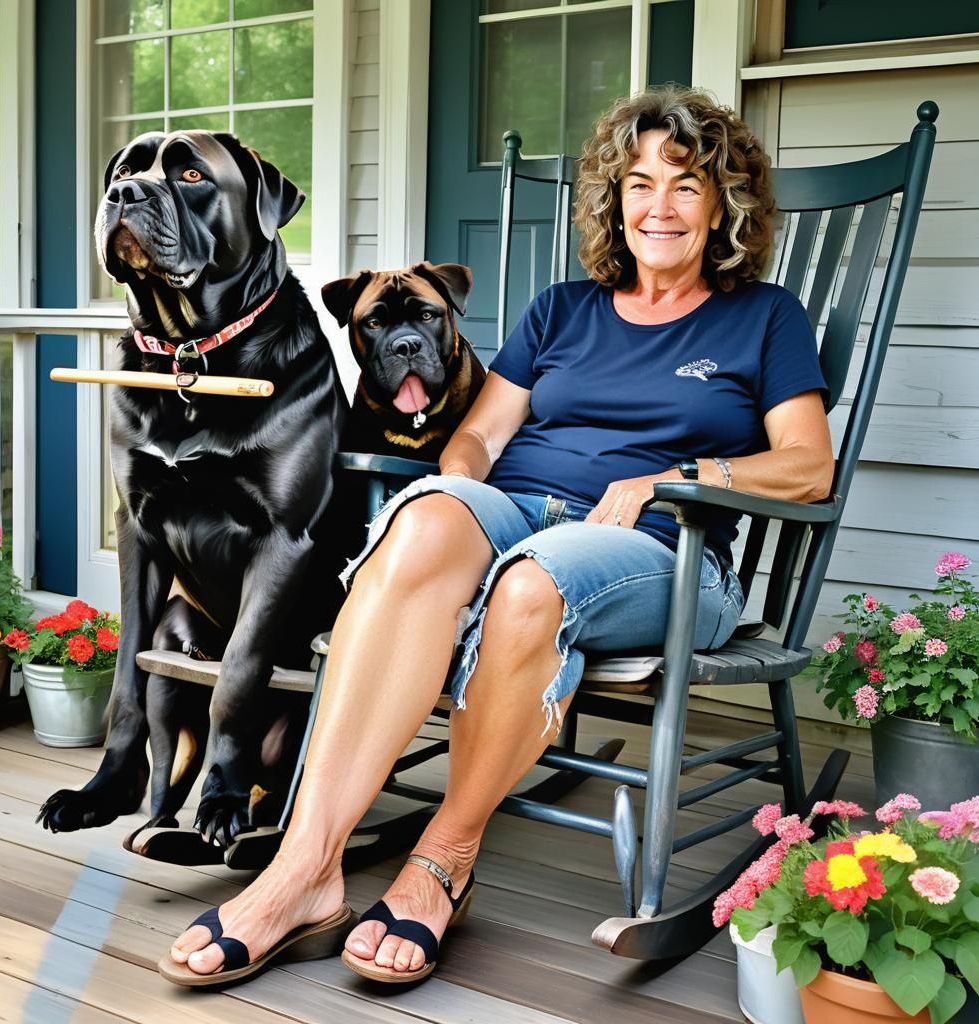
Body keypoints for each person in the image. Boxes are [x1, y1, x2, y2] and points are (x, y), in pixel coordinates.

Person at [160, 85, 834, 988]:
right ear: (614, 201)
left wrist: (673, 479)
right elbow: (479, 432)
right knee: (420, 526)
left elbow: (807, 467)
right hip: (523, 511)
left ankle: (441, 860)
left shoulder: (765, 317)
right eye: (637, 185)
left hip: (666, 549)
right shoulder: (562, 309)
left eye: (684, 183)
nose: (658, 207)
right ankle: (303, 870)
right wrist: (455, 491)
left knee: (527, 584)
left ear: (723, 202)